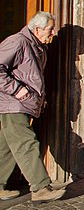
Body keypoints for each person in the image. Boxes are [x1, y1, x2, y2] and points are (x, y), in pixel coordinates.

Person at [0, 12, 65, 202]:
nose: (53, 33)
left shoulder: (37, 47)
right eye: (50, 29)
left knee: (6, 146)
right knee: (25, 143)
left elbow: (32, 77)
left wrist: (38, 98)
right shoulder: (18, 42)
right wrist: (17, 90)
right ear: (37, 29)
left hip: (19, 103)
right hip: (11, 103)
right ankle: (40, 188)